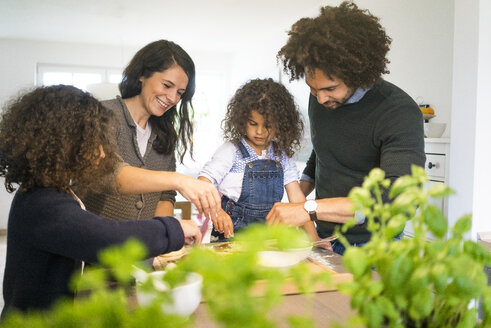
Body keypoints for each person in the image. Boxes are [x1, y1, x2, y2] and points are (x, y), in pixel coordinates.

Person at [0, 85, 201, 316]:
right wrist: (174, 229)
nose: (103, 153)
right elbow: (107, 237)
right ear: (65, 143)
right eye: (94, 141)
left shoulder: (47, 191)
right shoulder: (43, 203)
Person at [267, 2, 426, 254]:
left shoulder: (399, 112)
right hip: (324, 234)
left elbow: (400, 201)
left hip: (373, 244)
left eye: (330, 89)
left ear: (358, 73)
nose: (319, 99)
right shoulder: (321, 97)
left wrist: (308, 208)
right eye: (312, 87)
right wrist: (296, 195)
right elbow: (323, 150)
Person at [81, 40, 220, 223]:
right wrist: (179, 180)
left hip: (143, 249)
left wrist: (163, 235)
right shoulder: (102, 115)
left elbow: (165, 196)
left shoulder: (165, 134)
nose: (172, 98)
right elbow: (108, 175)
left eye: (180, 92)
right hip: (94, 246)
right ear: (142, 75)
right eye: (167, 85)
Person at [198, 78, 319, 242]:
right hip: (231, 236)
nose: (260, 131)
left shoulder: (282, 156)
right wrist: (217, 212)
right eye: (253, 123)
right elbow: (203, 183)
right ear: (241, 120)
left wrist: (315, 238)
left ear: (281, 124)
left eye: (268, 125)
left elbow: (297, 198)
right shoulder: (231, 151)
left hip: (268, 237)